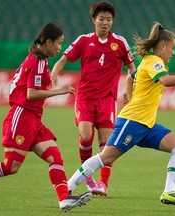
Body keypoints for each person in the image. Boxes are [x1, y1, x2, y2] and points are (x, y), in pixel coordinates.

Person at [66, 22, 175, 207]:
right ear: (162, 46)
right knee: (106, 157)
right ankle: (67, 188)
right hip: (132, 121)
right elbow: (165, 81)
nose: (173, 53)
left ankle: (169, 191)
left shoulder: (149, 63)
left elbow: (130, 77)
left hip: (147, 125)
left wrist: (130, 95)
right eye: (172, 48)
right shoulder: (154, 62)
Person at [0, 23, 92, 212]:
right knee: (10, 167)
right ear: (48, 42)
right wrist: (59, 91)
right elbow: (31, 94)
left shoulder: (40, 59)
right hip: (22, 116)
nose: (59, 48)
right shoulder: (37, 62)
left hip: (33, 119)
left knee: (55, 156)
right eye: (58, 43)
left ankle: (64, 198)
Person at [51, 1, 136, 196]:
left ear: (112, 22)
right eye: (101, 19)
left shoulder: (120, 42)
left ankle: (103, 184)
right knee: (86, 136)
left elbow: (132, 68)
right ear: (93, 20)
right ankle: (88, 179)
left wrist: (129, 86)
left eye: (109, 19)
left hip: (107, 99)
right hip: (85, 97)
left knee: (107, 143)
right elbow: (63, 59)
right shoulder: (84, 40)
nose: (105, 23)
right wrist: (54, 74)